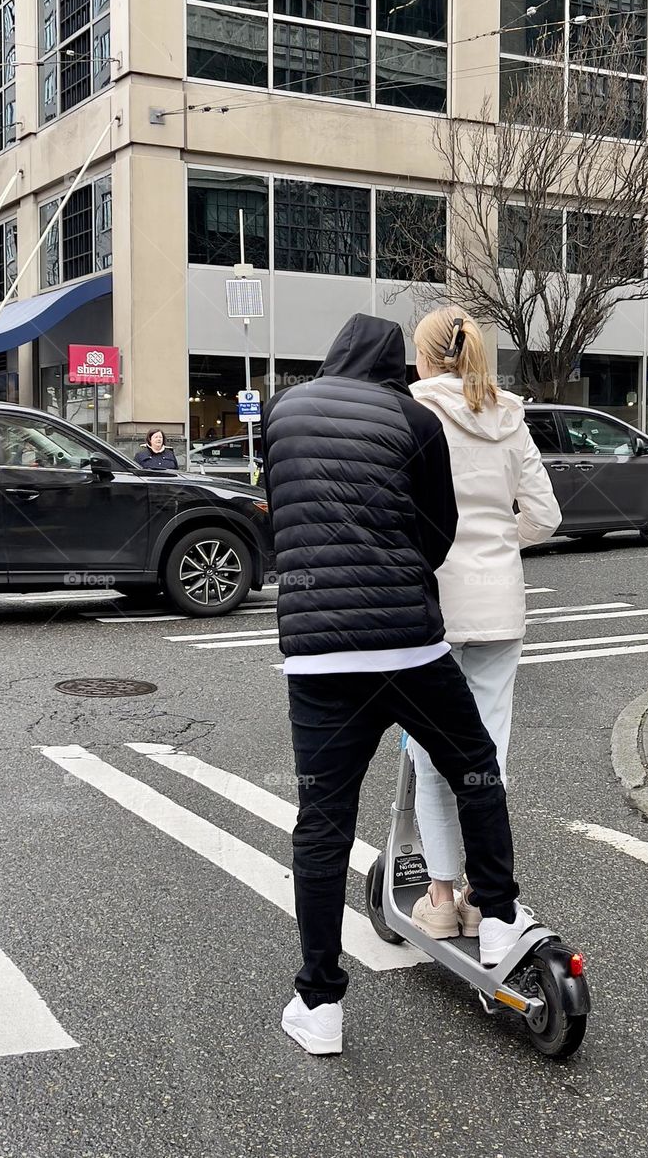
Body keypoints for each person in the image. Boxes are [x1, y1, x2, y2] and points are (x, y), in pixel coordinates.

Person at [261, 313, 532, 1058]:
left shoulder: (282, 411)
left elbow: (280, 514)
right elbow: (437, 530)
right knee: (474, 766)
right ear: (393, 366)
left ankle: (319, 1003)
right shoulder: (413, 418)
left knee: (322, 824)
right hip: (407, 646)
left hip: (319, 658)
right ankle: (499, 915)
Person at [406, 308, 561, 940]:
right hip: (501, 603)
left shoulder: (415, 413)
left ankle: (440, 897)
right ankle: (481, 890)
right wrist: (500, 545)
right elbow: (545, 516)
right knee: (486, 751)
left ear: (424, 357)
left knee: (429, 749)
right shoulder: (512, 418)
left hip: (435, 605)